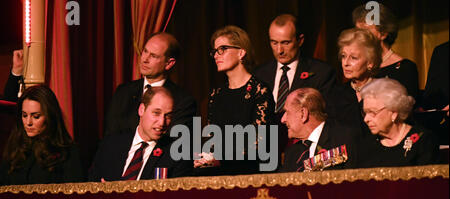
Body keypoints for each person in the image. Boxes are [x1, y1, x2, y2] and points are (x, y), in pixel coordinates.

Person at [194, 25, 276, 175]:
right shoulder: (216, 94)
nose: (216, 55)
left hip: (251, 171)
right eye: (214, 51)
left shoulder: (260, 90)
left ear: (241, 52)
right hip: (220, 169)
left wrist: (221, 160)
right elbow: (213, 140)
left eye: (222, 49)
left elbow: (258, 144)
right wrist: (204, 157)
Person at [254, 14, 337, 153]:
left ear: (300, 40)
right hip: (265, 151)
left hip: (302, 150)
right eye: (274, 43)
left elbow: (326, 118)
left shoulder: (321, 73)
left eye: (285, 43)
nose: (279, 50)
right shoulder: (259, 74)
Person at [89, 86, 192, 181]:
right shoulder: (111, 144)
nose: (162, 122)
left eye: (168, 116)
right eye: (156, 113)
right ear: (141, 110)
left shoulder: (177, 155)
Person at [104, 32, 197, 137]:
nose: (144, 59)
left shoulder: (183, 101)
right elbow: (109, 136)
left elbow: (174, 144)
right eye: (145, 51)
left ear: (169, 63)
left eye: (153, 56)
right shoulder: (123, 91)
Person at [0, 85, 84, 185]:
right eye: (24, 115)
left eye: (36, 116)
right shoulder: (15, 146)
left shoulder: (67, 151)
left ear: (50, 117)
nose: (28, 122)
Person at [359, 78, 439, 167]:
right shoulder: (365, 143)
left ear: (394, 113)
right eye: (365, 112)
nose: (366, 119)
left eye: (373, 112)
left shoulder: (423, 141)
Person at [279, 88, 360, 172]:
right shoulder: (292, 154)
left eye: (287, 112)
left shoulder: (345, 139)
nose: (283, 119)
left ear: (303, 113)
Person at [353, 3, 419, 101]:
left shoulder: (405, 68)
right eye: (358, 31)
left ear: (383, 34)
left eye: (365, 31)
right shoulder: (356, 65)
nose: (360, 36)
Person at [328, 28, 382, 137]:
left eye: (353, 58)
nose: (346, 63)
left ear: (370, 62)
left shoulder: (384, 92)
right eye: (343, 56)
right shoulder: (335, 94)